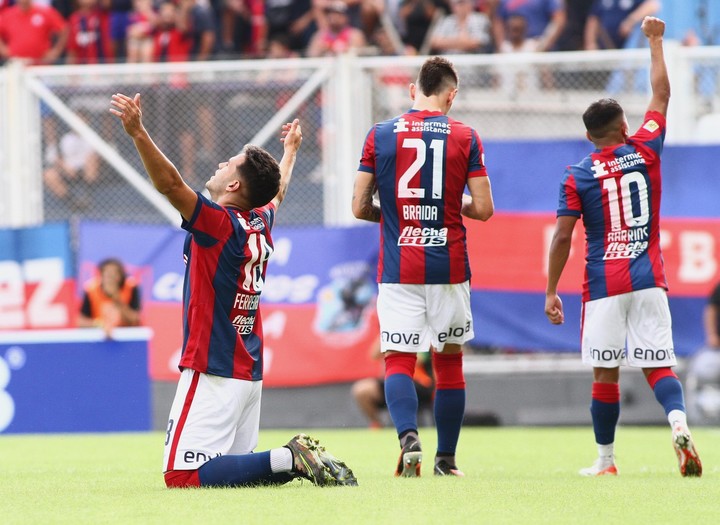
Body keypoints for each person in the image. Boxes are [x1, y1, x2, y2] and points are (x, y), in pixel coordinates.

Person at [109, 92, 357, 488]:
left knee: (182, 475)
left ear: (235, 183)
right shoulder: (258, 221)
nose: (222, 164)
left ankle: (290, 457)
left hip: (214, 365)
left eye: (230, 164)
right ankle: (285, 461)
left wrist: (138, 133)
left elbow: (171, 184)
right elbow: (278, 193)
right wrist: (290, 152)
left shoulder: (219, 225)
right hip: (248, 369)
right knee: (238, 478)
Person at [544, 17, 702, 478]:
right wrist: (655, 41)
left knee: (605, 373)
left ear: (590, 136)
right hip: (650, 277)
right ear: (623, 126)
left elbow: (562, 237)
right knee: (659, 366)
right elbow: (662, 96)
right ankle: (677, 423)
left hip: (603, 284)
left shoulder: (577, 175)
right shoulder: (647, 146)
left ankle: (606, 461)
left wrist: (551, 290)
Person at [352, 56, 494, 477]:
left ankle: (407, 439)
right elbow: (484, 209)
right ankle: (446, 461)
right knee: (449, 361)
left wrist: (398, 217)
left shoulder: (379, 135)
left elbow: (359, 206)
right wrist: (452, 206)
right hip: (448, 267)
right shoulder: (466, 136)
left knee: (398, 359)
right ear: (452, 95)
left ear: (412, 92)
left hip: (400, 267)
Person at [352, 336, 435, 429]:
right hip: (392, 379)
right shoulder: (393, 330)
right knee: (362, 390)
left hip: (420, 383)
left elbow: (418, 360)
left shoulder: (422, 334)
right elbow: (374, 355)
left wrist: (396, 347)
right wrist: (386, 333)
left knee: (400, 386)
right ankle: (378, 426)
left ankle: (407, 428)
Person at [78, 258, 142, 336]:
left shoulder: (131, 287)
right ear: (101, 275)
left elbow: (134, 320)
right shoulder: (91, 290)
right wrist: (101, 325)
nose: (111, 277)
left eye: (115, 273)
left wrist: (116, 298)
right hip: (100, 339)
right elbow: (81, 322)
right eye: (107, 273)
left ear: (121, 275)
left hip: (127, 338)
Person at [0, 0, 68, 65]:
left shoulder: (44, 12)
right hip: (16, 63)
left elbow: (64, 29)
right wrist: (3, 49)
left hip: (40, 63)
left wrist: (55, 52)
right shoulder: (8, 15)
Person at [584, 0, 659, 50]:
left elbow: (652, 6)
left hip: (629, 46)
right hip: (605, 45)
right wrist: (591, 43)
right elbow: (593, 18)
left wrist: (630, 21)